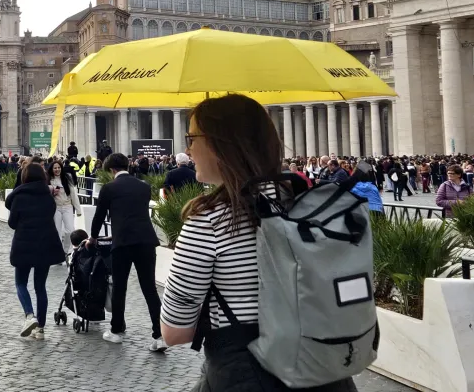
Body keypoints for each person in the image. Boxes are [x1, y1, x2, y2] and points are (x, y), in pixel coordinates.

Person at [160, 94, 357, 391]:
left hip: (248, 373)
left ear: (219, 144)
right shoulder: (312, 205)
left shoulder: (209, 221)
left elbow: (175, 332)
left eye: (192, 137)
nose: (188, 148)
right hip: (327, 374)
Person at [89, 153, 165, 351]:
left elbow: (99, 216)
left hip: (122, 242)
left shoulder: (109, 188)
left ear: (112, 170)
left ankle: (116, 331)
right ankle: (159, 335)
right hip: (146, 240)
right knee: (149, 288)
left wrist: (93, 237)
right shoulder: (144, 186)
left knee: (119, 287)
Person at [5, 163, 64, 341]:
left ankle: (30, 316)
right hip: (45, 244)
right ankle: (41, 329)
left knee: (21, 283)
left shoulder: (19, 196)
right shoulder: (48, 195)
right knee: (40, 287)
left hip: (24, 244)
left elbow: (12, 223)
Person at [47, 160, 82, 260]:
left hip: (67, 206)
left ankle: (66, 251)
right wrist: (52, 191)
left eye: (58, 167)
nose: (57, 169)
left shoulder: (67, 177)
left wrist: (78, 209)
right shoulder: (48, 179)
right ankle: (58, 253)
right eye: (55, 168)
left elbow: (73, 194)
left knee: (70, 230)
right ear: (52, 169)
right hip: (56, 208)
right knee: (57, 232)